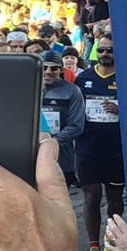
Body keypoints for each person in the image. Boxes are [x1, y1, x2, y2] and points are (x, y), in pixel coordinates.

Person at [75, 44, 124, 251]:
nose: (105, 54)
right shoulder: (83, 78)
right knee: (91, 196)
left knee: (114, 198)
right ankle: (93, 247)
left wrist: (120, 111)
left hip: (116, 150)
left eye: (111, 50)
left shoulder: (125, 77)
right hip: (88, 148)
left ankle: (111, 242)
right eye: (102, 50)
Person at [40, 54, 86, 183]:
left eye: (54, 69)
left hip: (61, 156)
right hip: (30, 154)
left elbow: (76, 125)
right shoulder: (26, 87)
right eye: (44, 68)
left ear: (60, 70)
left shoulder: (72, 91)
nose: (48, 72)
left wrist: (52, 142)